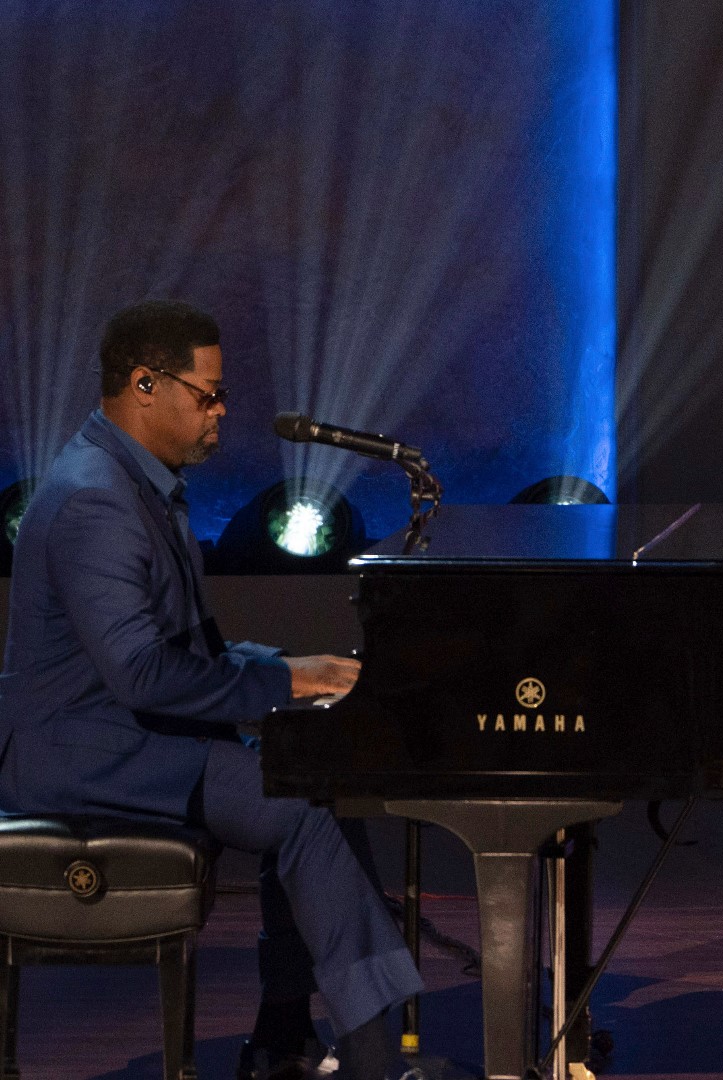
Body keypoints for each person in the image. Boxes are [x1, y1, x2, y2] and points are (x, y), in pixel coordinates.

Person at [0, 301, 423, 1080]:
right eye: (208, 393)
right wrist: (285, 678)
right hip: (83, 752)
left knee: (316, 775)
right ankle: (374, 1060)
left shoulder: (133, 480)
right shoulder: (97, 498)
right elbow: (144, 673)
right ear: (143, 384)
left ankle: (284, 1032)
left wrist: (294, 667)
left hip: (122, 732)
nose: (223, 410)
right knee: (301, 806)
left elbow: (185, 649)